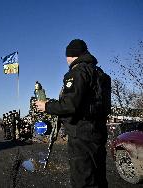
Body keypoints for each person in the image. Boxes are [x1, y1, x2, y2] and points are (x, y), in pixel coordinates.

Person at [35, 39, 108, 188]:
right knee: (99, 177)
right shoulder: (100, 73)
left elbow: (69, 105)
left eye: (67, 56)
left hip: (81, 134)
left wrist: (46, 106)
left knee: (83, 180)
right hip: (98, 132)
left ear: (72, 55)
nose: (66, 60)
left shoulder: (77, 72)